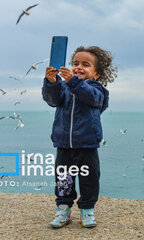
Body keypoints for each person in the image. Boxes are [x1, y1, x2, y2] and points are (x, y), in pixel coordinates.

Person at [42, 46, 117, 228]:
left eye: (85, 64)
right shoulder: (64, 87)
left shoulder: (98, 89)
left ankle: (87, 210)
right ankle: (63, 209)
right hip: (64, 144)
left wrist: (73, 82)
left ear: (97, 74)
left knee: (89, 179)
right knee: (63, 179)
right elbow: (52, 101)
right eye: (75, 63)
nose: (78, 67)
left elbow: (92, 99)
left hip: (87, 144)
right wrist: (51, 82)